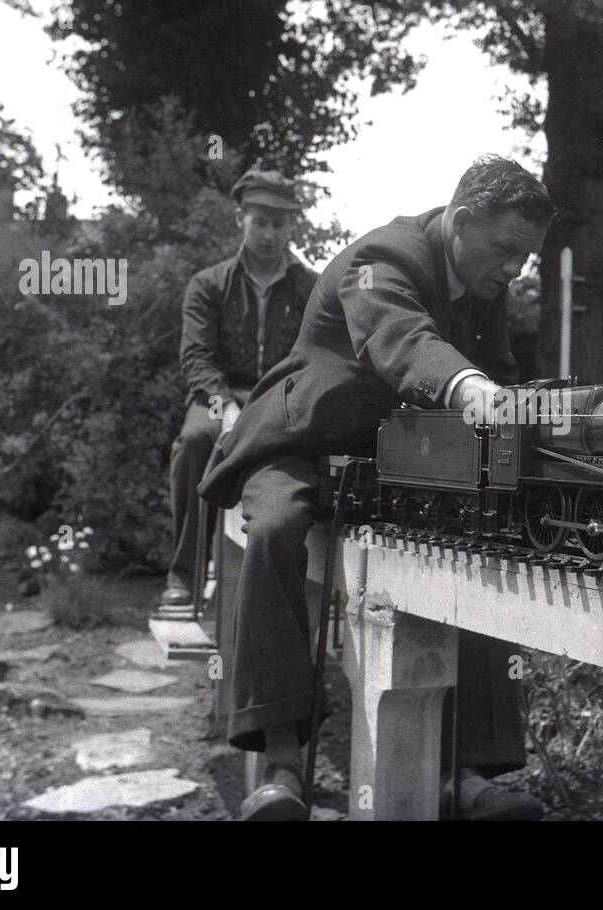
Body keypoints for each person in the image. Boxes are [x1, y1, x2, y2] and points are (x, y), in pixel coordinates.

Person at [198, 155, 553, 821]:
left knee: (485, 530)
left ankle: (464, 773)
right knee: (274, 529)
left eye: (527, 258)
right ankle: (280, 764)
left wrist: (524, 408)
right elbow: (399, 337)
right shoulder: (382, 257)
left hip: (392, 452)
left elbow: (499, 368)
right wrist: (468, 386)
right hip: (300, 438)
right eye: (507, 250)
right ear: (462, 219)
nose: (515, 269)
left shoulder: (485, 281)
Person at [160, 170, 319, 610]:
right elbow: (196, 358)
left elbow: (318, 357)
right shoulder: (209, 285)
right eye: (260, 222)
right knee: (194, 441)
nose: (270, 234)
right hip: (220, 397)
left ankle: (295, 583)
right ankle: (185, 575)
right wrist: (226, 406)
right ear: (240, 219)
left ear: (292, 225)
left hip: (281, 400)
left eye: (280, 224)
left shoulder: (310, 287)